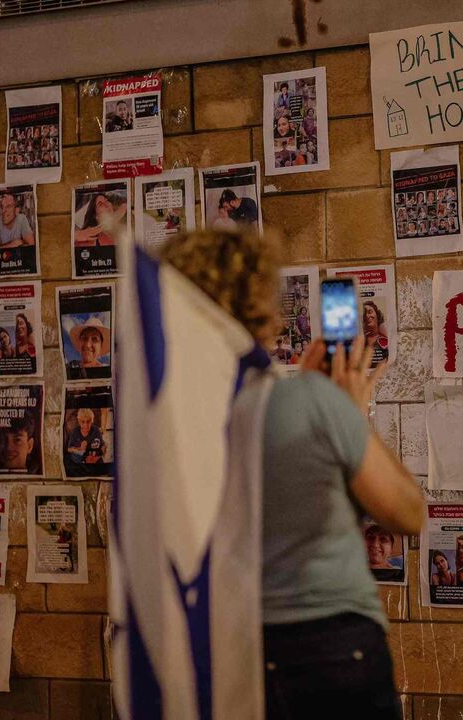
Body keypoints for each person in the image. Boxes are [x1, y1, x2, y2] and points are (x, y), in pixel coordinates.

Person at [161, 227, 424, 720]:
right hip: (331, 650)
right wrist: (350, 409)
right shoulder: (313, 402)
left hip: (226, 655)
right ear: (259, 307)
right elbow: (407, 512)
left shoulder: (172, 424)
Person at [362, 300, 389, 366]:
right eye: (364, 314)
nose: (367, 316)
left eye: (370, 312)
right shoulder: (361, 340)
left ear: (377, 315)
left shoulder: (384, 340)